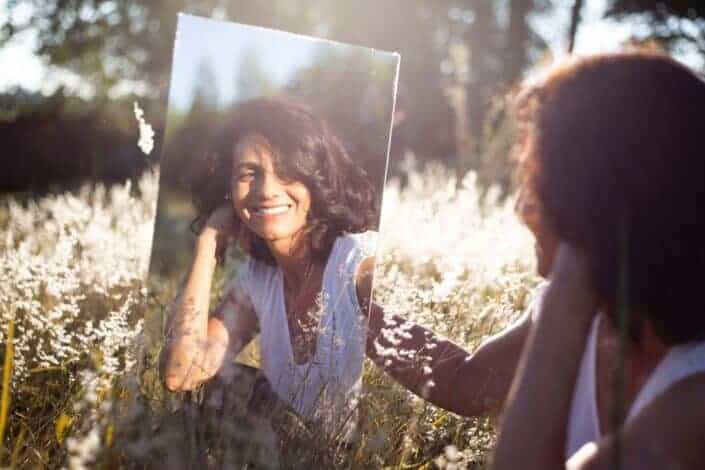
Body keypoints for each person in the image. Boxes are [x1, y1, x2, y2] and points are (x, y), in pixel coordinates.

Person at [490, 52, 705, 469]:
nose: (524, 208)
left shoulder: (693, 405)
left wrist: (572, 277)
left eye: (540, 183)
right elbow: (463, 380)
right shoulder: (607, 325)